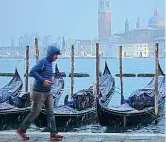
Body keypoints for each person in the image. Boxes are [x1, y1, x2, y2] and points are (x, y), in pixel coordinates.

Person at [16, 45, 63, 141]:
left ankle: (53, 134)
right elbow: (32, 72)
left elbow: (45, 74)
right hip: (39, 92)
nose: (57, 57)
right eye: (55, 55)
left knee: (51, 113)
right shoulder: (43, 62)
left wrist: (50, 79)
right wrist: (42, 81)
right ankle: (21, 130)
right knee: (35, 113)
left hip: (48, 92)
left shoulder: (50, 63)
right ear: (50, 54)